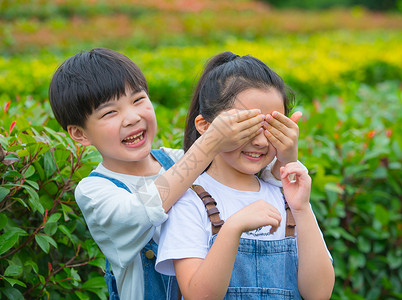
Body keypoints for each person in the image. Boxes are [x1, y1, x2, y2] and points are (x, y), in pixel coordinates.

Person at [48, 48, 293, 299]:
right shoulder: (94, 191)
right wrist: (210, 142)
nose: (131, 118)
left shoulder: (178, 159)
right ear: (80, 134)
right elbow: (142, 211)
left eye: (138, 100)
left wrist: (285, 152)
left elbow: (258, 184)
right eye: (110, 112)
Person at [155, 51, 335, 299]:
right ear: (206, 127)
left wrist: (302, 208)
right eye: (246, 126)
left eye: (271, 127)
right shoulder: (190, 200)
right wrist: (232, 229)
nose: (260, 141)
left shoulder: (287, 197)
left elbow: (319, 293)